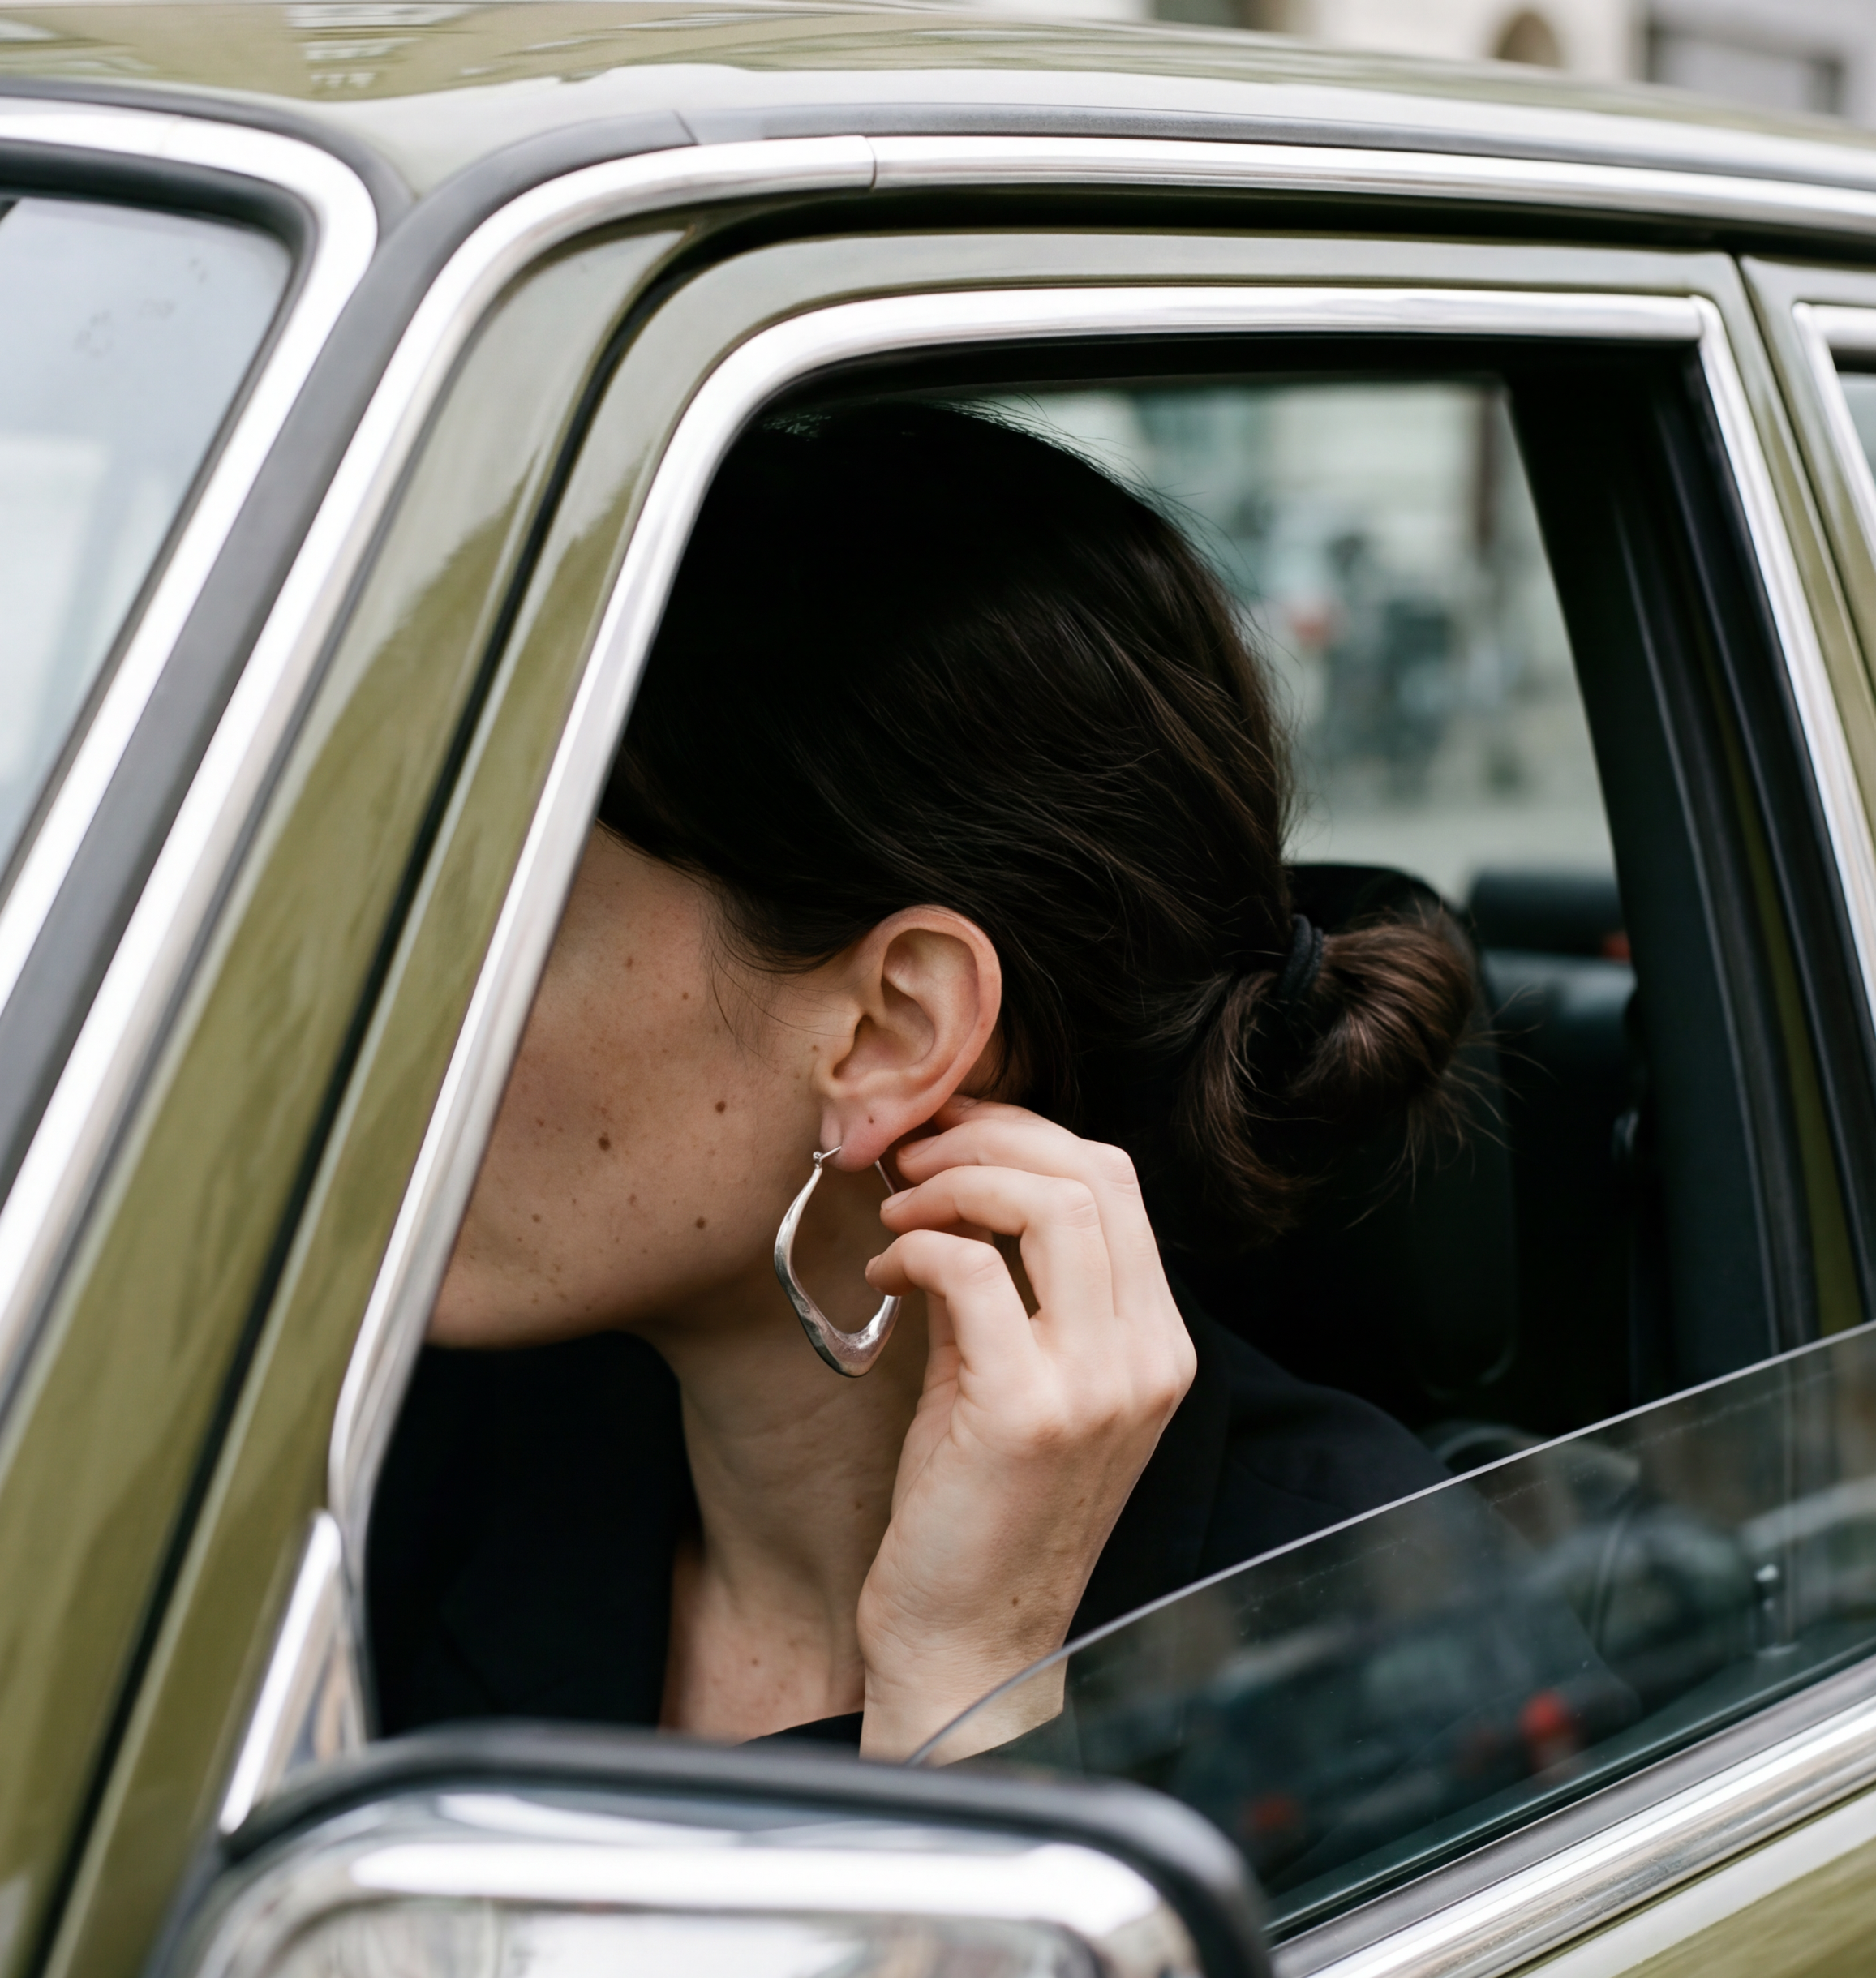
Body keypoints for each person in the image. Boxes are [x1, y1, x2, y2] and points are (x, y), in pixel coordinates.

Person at [371, 401, 1479, 1761]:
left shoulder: (1387, 1650)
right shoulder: (413, 1460)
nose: (388, 1016)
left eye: (502, 911)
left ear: (888, 1033)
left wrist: (971, 1683)